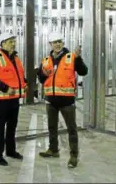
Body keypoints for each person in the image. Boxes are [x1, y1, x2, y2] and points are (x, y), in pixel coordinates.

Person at [37, 31, 88, 168]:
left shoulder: (71, 57)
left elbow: (83, 71)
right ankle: (53, 150)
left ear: (63, 43)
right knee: (52, 127)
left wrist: (78, 59)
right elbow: (41, 79)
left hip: (67, 102)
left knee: (71, 129)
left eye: (59, 41)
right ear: (50, 44)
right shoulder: (46, 60)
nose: (57, 44)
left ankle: (73, 156)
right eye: (55, 42)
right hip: (51, 101)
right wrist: (43, 73)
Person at [0, 32, 27, 166]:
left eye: (14, 41)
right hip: (2, 99)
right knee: (0, 127)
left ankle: (11, 151)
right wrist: (4, 88)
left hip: (14, 99)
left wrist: (25, 84)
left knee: (12, 126)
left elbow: (19, 76)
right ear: (2, 43)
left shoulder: (16, 58)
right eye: (10, 41)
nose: (13, 44)